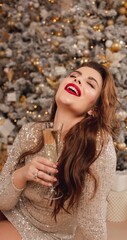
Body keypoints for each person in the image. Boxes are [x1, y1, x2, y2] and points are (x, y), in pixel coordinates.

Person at [0, 61, 119, 240]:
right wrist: (22, 174)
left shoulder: (97, 146)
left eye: (90, 83)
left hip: (51, 234)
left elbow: (92, 220)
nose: (78, 80)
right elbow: (3, 201)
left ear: (94, 109)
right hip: (14, 213)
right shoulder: (31, 132)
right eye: (74, 76)